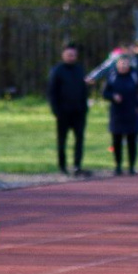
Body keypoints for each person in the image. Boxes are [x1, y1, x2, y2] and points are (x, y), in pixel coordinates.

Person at [47, 42, 89, 176]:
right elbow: (52, 92)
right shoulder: (57, 71)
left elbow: (84, 90)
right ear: (63, 55)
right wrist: (55, 110)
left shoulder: (80, 70)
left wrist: (84, 107)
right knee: (62, 140)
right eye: (69, 55)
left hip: (78, 112)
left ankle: (77, 165)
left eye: (74, 55)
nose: (72, 57)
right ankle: (62, 166)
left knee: (79, 139)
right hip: (63, 112)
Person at [102, 54, 138, 175]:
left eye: (126, 63)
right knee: (117, 141)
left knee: (132, 140)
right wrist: (113, 97)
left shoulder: (135, 76)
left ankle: (131, 166)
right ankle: (118, 166)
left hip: (131, 112)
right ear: (117, 64)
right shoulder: (112, 76)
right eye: (121, 63)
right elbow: (105, 93)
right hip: (117, 113)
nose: (123, 66)